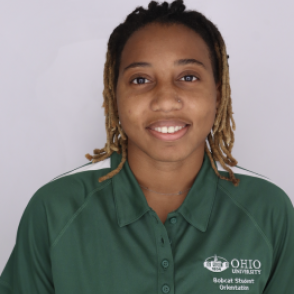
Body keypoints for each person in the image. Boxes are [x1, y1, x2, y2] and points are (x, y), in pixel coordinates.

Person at [0, 0, 293, 293]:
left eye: (188, 77)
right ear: (114, 95)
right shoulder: (55, 210)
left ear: (218, 91)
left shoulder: (269, 211)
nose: (165, 100)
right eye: (140, 79)